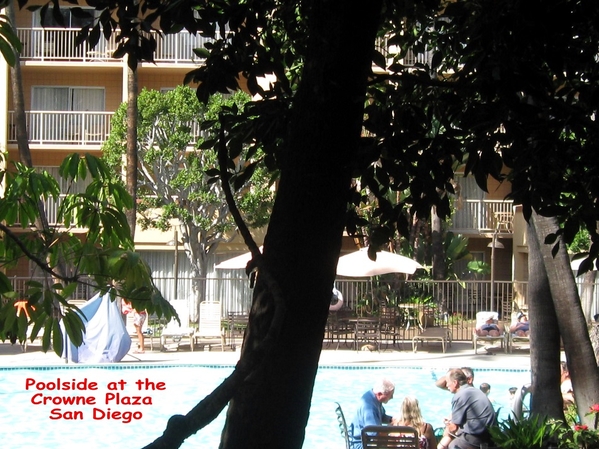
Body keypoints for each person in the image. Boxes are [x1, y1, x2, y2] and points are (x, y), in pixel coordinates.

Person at [437, 369, 495, 449]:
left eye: (447, 382)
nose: (446, 385)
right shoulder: (475, 391)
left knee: (451, 444)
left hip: (476, 439)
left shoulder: (460, 395)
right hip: (491, 437)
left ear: (455, 383)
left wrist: (447, 424)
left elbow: (453, 428)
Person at [348, 378, 395, 449]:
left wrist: (394, 420)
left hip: (366, 441)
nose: (392, 397)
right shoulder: (369, 407)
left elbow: (382, 417)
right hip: (361, 444)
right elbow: (374, 434)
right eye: (390, 395)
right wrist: (392, 431)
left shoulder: (374, 399)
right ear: (379, 394)